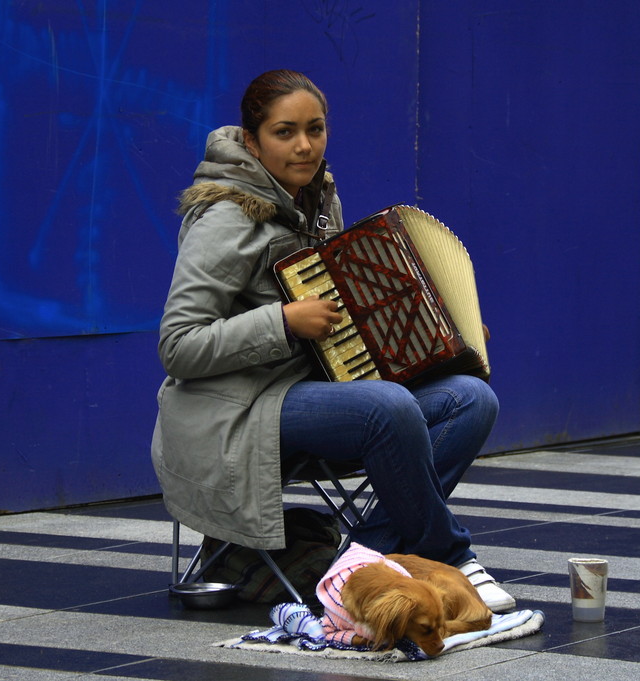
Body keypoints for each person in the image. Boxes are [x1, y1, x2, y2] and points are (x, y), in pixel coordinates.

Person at [150, 69, 514, 612]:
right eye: (284, 132)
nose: (304, 145)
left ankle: (353, 568)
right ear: (251, 141)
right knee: (385, 407)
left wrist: (445, 335)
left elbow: (350, 324)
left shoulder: (316, 202)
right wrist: (284, 322)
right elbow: (178, 345)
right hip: (239, 411)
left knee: (470, 397)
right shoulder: (225, 218)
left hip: (321, 395)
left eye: (315, 129)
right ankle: (450, 554)